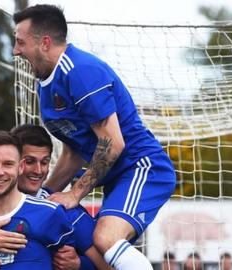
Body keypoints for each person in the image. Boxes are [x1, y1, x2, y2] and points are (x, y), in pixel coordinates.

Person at [12, 5, 176, 269]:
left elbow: (113, 143)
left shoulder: (80, 71)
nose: (15, 51)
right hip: (115, 176)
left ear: (44, 43)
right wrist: (44, 194)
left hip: (142, 168)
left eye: (20, 42)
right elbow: (73, 152)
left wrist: (75, 194)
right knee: (98, 255)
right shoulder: (45, 81)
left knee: (105, 238)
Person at [0, 124, 108, 269]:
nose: (38, 171)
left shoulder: (58, 209)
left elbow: (106, 265)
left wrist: (79, 265)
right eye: (30, 161)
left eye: (44, 162)